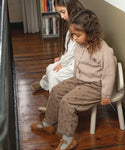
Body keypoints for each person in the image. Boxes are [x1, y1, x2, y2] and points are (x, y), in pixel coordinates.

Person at [31, 9, 116, 150]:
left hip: (95, 86)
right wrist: (62, 63)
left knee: (67, 102)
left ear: (90, 33)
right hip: (79, 79)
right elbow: (75, 61)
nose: (74, 38)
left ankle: (68, 139)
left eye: (78, 35)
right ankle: (48, 124)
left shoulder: (103, 50)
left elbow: (109, 73)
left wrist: (106, 94)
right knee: (57, 90)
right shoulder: (79, 45)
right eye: (73, 35)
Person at [31, 0, 84, 94]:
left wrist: (62, 63)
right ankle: (44, 84)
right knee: (50, 67)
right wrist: (62, 58)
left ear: (71, 8)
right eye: (59, 13)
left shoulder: (78, 26)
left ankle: (54, 102)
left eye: (63, 12)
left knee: (53, 74)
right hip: (71, 59)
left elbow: (73, 52)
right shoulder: (72, 23)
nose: (61, 16)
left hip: (79, 63)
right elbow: (70, 49)